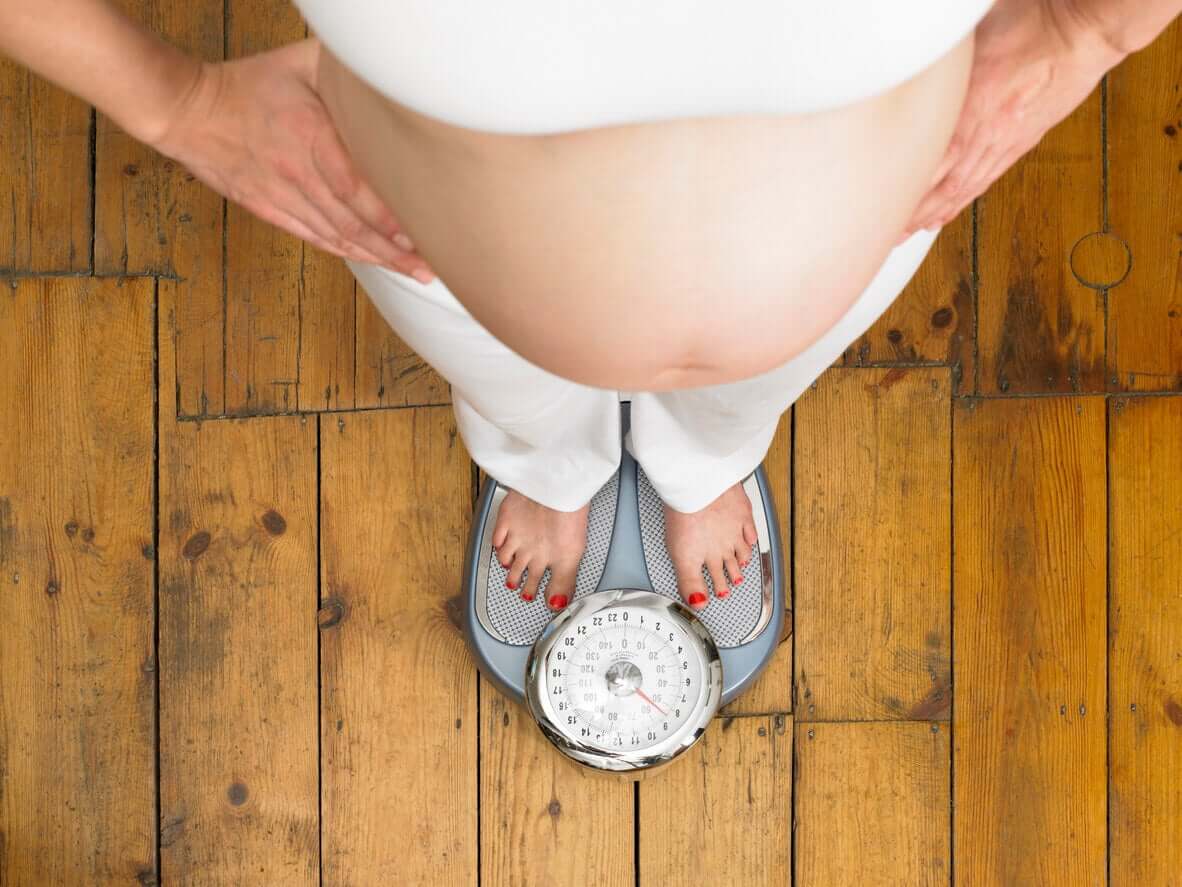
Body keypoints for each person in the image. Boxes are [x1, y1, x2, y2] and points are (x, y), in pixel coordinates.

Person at [3, 0, 1176, 613]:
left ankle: (709, 449)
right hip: (433, 239)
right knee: (510, 386)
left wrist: (1096, 28)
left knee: (749, 389)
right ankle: (542, 454)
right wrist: (175, 104)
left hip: (871, 215)